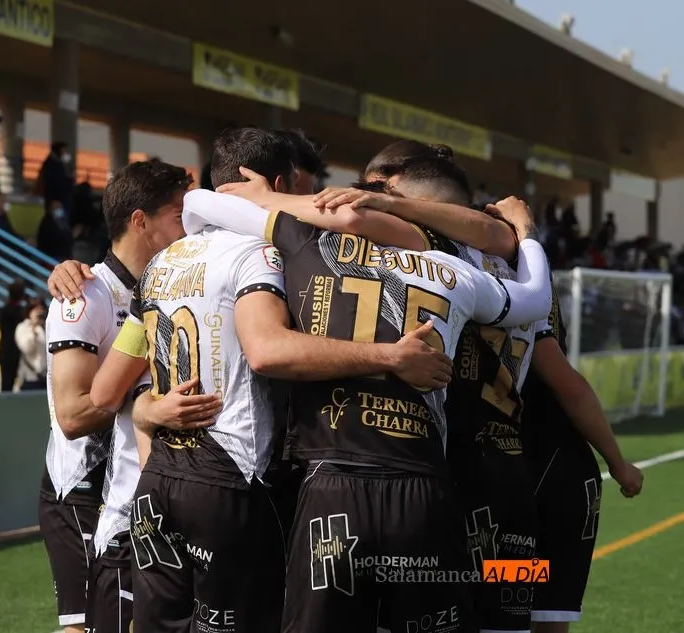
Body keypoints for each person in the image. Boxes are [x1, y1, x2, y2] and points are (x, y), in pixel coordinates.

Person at [118, 127, 463, 633]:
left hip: (160, 480)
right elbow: (267, 351)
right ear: (277, 185)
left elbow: (109, 389)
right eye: (303, 189)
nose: (312, 202)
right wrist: (390, 357)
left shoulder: (162, 261)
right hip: (232, 477)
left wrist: (146, 409)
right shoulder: (260, 252)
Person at [318, 143, 644, 632]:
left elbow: (565, 382)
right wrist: (617, 463)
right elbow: (568, 380)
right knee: (522, 618)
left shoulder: (440, 257)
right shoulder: (522, 262)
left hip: (478, 473)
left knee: (444, 615)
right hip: (517, 474)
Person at [38, 159, 193, 633]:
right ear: (140, 221)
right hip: (83, 491)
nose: (188, 226)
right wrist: (144, 404)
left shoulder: (168, 287)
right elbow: (71, 416)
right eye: (178, 214)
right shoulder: (85, 293)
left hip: (135, 483)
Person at [0, 279, 26, 392]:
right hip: (17, 353)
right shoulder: (21, 312)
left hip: (5, 353)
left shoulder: (3, 310)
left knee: (6, 386)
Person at [15, 301, 47, 390]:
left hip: (46, 377)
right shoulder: (23, 327)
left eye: (42, 310)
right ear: (29, 312)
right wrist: (33, 330)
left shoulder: (46, 327)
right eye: (36, 310)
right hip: (30, 377)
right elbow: (26, 348)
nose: (39, 313)